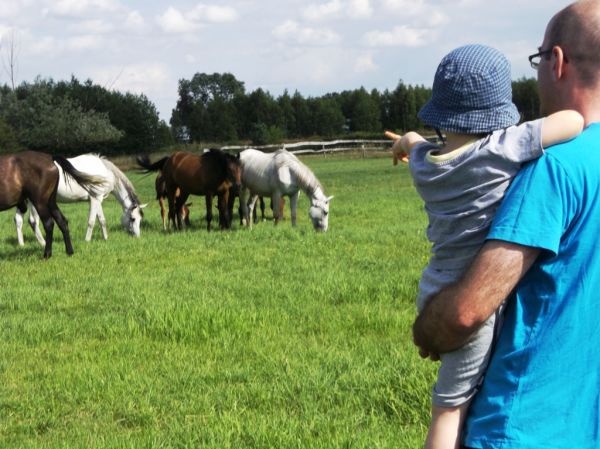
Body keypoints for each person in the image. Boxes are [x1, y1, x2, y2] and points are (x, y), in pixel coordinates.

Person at [412, 1, 600, 448]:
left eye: (537, 59)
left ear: (556, 62)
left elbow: (466, 312)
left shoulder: (554, 169)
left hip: (520, 424)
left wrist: (426, 330)